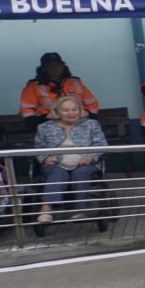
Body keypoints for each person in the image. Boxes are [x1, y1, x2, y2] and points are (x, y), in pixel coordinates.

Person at [32, 95, 108, 225]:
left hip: (85, 162)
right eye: (66, 110)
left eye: (74, 109)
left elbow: (101, 144)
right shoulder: (44, 127)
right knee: (57, 173)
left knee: (80, 173)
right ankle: (46, 210)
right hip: (56, 163)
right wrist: (44, 158)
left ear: (80, 111)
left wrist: (91, 157)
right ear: (57, 112)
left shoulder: (91, 124)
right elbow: (39, 147)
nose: (71, 113)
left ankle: (81, 211)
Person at [18, 52, 98, 129]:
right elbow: (27, 110)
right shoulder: (33, 86)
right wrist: (41, 121)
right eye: (50, 65)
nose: (55, 67)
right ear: (44, 68)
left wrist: (89, 115)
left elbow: (92, 104)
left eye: (58, 64)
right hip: (49, 124)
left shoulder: (75, 82)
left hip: (79, 123)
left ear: (63, 66)